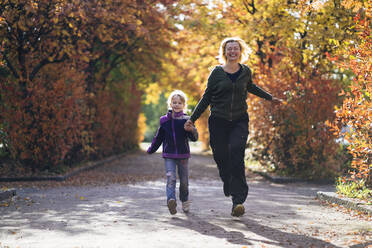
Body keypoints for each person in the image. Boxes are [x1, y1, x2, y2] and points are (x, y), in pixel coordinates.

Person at [184, 37, 282, 217]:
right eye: (229, 49)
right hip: (218, 120)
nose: (232, 52)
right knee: (221, 156)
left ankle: (238, 200)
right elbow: (206, 98)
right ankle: (227, 181)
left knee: (237, 153)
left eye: (235, 49)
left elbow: (251, 87)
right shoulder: (216, 73)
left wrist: (270, 98)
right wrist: (193, 118)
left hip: (239, 120)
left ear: (240, 51)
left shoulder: (245, 71)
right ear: (224, 52)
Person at [147, 90, 198, 215]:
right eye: (174, 102)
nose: (176, 105)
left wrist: (192, 130)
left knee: (184, 182)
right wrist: (152, 149)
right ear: (170, 104)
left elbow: (194, 138)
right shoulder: (164, 121)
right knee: (171, 178)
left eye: (179, 103)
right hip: (169, 155)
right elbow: (158, 137)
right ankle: (171, 200)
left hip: (183, 155)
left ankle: (185, 200)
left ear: (183, 105)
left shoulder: (187, 120)